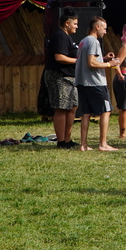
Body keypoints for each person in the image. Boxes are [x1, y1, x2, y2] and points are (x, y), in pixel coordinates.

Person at [75, 16, 121, 152]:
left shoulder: (83, 41)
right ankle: (103, 144)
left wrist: (104, 58)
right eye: (104, 29)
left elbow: (89, 60)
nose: (105, 32)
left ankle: (83, 145)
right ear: (97, 27)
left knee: (86, 113)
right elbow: (91, 63)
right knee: (106, 110)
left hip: (82, 82)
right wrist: (109, 64)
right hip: (95, 83)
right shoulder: (93, 41)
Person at [45, 8, 79, 149]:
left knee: (72, 106)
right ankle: (61, 141)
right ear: (67, 23)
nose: (77, 26)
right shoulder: (60, 36)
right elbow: (59, 57)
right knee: (61, 108)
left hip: (70, 77)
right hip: (59, 76)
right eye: (75, 24)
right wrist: (78, 61)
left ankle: (68, 139)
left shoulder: (67, 36)